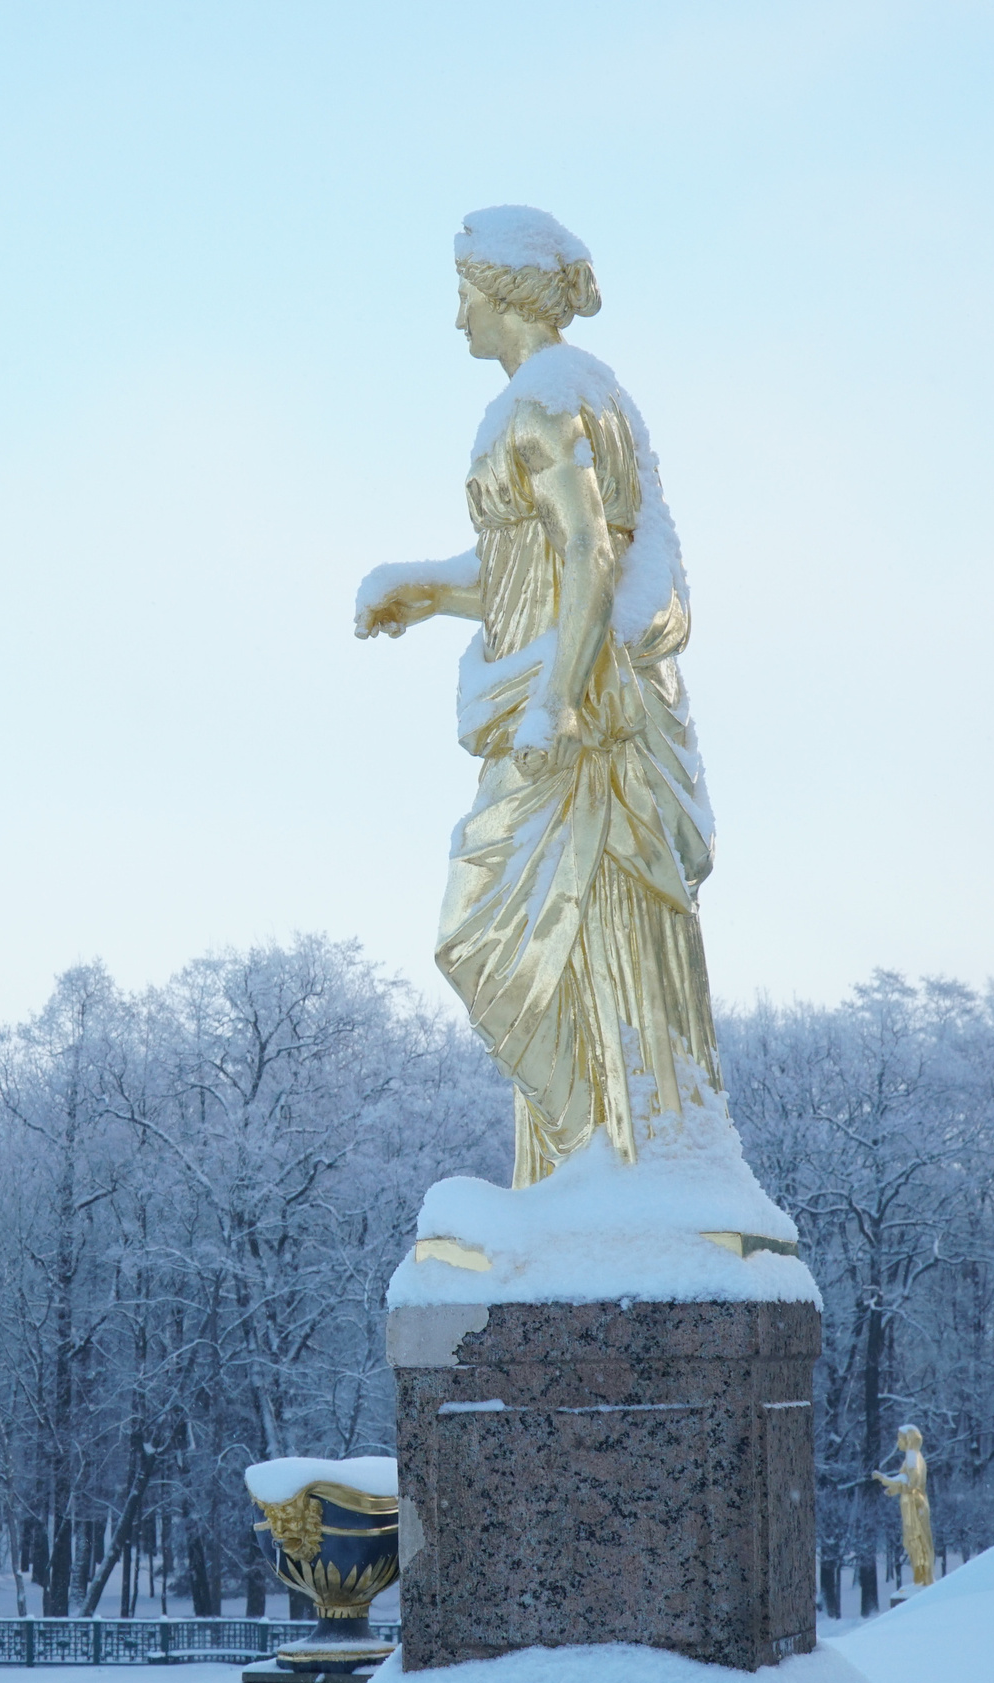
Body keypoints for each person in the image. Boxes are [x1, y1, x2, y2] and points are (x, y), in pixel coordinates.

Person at [356, 206, 718, 1184]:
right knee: (540, 941)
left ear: (504, 293)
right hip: (553, 698)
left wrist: (557, 701)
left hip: (570, 718)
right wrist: (423, 590)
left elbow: (592, 554)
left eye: (465, 295)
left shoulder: (548, 401)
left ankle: (596, 1152)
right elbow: (536, 572)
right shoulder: (568, 393)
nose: (458, 318)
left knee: (478, 941)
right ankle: (585, 1162)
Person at [872, 1425, 936, 1589]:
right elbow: (906, 1480)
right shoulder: (913, 1456)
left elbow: (911, 1482)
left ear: (908, 1440)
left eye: (900, 1439)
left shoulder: (912, 1456)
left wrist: (884, 1479)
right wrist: (894, 1488)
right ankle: (922, 1576)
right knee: (916, 1539)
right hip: (915, 1501)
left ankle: (922, 1576)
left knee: (915, 1539)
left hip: (913, 1503)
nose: (897, 1442)